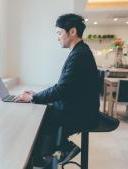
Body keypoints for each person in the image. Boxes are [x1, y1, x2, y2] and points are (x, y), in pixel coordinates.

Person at [13, 13, 100, 168]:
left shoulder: (79, 55)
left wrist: (33, 98)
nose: (58, 37)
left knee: (42, 118)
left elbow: (62, 89)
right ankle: (53, 152)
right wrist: (37, 96)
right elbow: (63, 86)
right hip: (81, 107)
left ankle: (48, 156)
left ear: (72, 32)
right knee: (45, 111)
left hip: (82, 113)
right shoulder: (80, 52)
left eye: (59, 33)